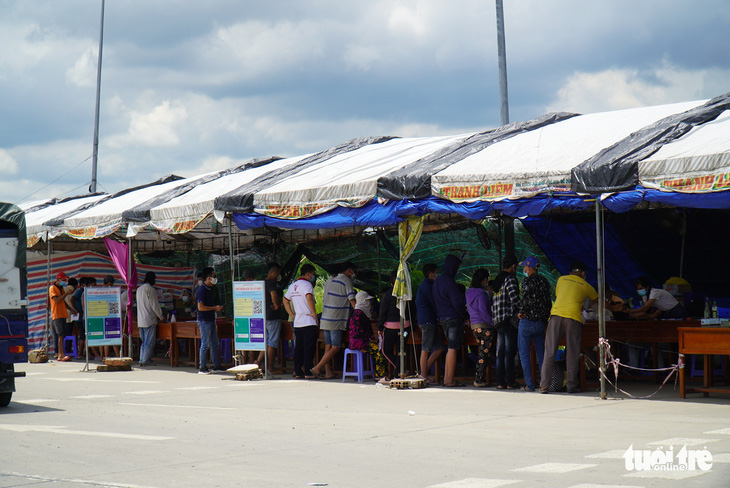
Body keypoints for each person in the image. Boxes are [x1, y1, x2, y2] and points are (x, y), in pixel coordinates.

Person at [540, 261, 598, 394]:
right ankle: (571, 386)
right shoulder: (587, 286)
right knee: (572, 353)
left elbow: (558, 295)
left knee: (550, 352)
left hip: (555, 317)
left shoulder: (561, 279)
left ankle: (544, 385)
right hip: (573, 318)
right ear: (583, 274)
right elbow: (597, 301)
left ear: (570, 272)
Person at [311, 262, 356, 379]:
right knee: (336, 347)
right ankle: (317, 367)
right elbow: (352, 300)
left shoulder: (330, 281)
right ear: (350, 270)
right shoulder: (346, 281)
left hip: (325, 318)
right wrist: (360, 312)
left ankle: (328, 372)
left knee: (328, 346)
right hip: (336, 319)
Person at [516, 256, 552, 392]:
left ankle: (529, 385)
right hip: (540, 323)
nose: (524, 269)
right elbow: (548, 302)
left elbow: (525, 299)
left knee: (524, 354)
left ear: (530, 268)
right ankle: (544, 384)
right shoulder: (544, 281)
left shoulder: (526, 282)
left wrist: (521, 312)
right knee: (541, 354)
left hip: (527, 322)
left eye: (525, 267)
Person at [433, 254, 467, 387]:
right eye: (457, 267)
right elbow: (457, 303)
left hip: (443, 318)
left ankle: (447, 378)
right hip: (453, 318)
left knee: (449, 349)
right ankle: (449, 380)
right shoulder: (450, 282)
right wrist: (465, 315)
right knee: (453, 348)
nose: (458, 270)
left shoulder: (437, 281)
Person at [282, 264, 319, 379]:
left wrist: (292, 315)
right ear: (308, 274)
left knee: (298, 347)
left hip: (298, 321)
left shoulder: (293, 286)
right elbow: (309, 297)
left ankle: (298, 371)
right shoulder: (307, 285)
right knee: (309, 347)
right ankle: (308, 371)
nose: (313, 276)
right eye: (312, 274)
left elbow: (285, 300)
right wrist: (313, 312)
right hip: (308, 320)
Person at [491, 256, 520, 389]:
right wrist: (524, 309)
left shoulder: (497, 279)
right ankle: (510, 381)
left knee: (501, 352)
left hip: (497, 320)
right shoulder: (510, 279)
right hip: (508, 319)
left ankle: (500, 382)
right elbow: (515, 298)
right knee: (509, 352)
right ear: (513, 266)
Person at [378, 271, 411, 380]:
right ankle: (399, 372)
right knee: (401, 350)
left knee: (386, 350)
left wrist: (379, 328)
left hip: (390, 327)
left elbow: (382, 312)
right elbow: (413, 310)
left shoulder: (387, 294)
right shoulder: (408, 293)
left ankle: (401, 370)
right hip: (406, 326)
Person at [466, 268, 495, 388]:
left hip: (474, 326)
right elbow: (484, 312)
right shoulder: (481, 294)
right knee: (484, 354)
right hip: (484, 326)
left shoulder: (468, 293)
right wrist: (492, 323)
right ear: (483, 280)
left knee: (483, 352)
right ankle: (478, 380)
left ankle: (481, 378)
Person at [347, 290, 386, 378]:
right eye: (367, 301)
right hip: (360, 343)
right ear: (364, 301)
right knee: (380, 351)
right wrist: (371, 339)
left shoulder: (356, 312)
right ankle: (380, 375)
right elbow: (361, 332)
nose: (369, 303)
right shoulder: (360, 314)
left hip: (356, 342)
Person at [415, 263, 442, 385]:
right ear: (431, 274)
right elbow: (434, 303)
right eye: (436, 272)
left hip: (430, 320)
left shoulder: (429, 285)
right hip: (427, 321)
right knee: (426, 349)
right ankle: (423, 376)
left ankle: (423, 372)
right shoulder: (427, 286)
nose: (437, 275)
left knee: (440, 348)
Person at [256, 263, 284, 374]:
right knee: (272, 343)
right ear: (273, 273)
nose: (278, 276)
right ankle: (270, 368)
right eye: (278, 274)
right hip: (272, 316)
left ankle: (257, 361)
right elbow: (273, 294)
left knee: (266, 342)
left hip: (263, 316)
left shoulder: (261, 283)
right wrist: (277, 305)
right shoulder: (272, 283)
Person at [196, 267, 225, 374]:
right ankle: (202, 366)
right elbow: (200, 307)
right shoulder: (202, 290)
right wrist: (215, 308)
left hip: (211, 319)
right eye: (214, 276)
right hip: (204, 320)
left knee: (214, 343)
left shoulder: (210, 289)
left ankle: (216, 365)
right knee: (205, 344)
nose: (215, 279)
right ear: (208, 278)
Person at [137, 271, 164, 367]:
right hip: (149, 319)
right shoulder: (150, 289)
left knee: (144, 342)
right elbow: (154, 305)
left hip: (141, 320)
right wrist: (161, 316)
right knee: (149, 342)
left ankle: (142, 359)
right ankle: (146, 361)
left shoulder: (139, 289)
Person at [49, 271, 73, 361]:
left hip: (63, 314)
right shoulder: (52, 288)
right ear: (58, 279)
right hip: (57, 314)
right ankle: (60, 354)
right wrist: (66, 294)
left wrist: (71, 309)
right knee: (60, 335)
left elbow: (63, 301)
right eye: (63, 279)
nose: (65, 281)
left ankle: (62, 354)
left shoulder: (61, 288)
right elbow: (57, 300)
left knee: (63, 335)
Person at [102, 275, 121, 358]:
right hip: (111, 316)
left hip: (102, 316)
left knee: (106, 339)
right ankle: (117, 356)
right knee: (114, 337)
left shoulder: (99, 290)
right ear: (109, 283)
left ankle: (105, 357)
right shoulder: (111, 291)